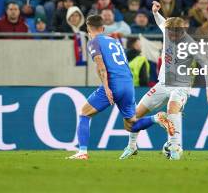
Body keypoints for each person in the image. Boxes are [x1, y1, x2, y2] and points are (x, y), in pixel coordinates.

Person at [67, 14, 174, 160]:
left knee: (84, 113)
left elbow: (101, 67)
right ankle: (157, 118)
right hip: (128, 84)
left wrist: (106, 88)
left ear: (88, 28)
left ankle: (82, 152)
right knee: (130, 124)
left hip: (113, 83)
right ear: (103, 28)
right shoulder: (114, 40)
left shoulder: (93, 42)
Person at [119, 1, 208, 161]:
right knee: (132, 117)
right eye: (168, 32)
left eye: (172, 34)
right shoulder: (168, 30)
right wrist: (155, 12)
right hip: (162, 84)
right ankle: (132, 146)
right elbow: (161, 22)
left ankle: (175, 147)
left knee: (172, 109)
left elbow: (205, 64)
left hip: (181, 86)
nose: (169, 36)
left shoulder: (191, 44)